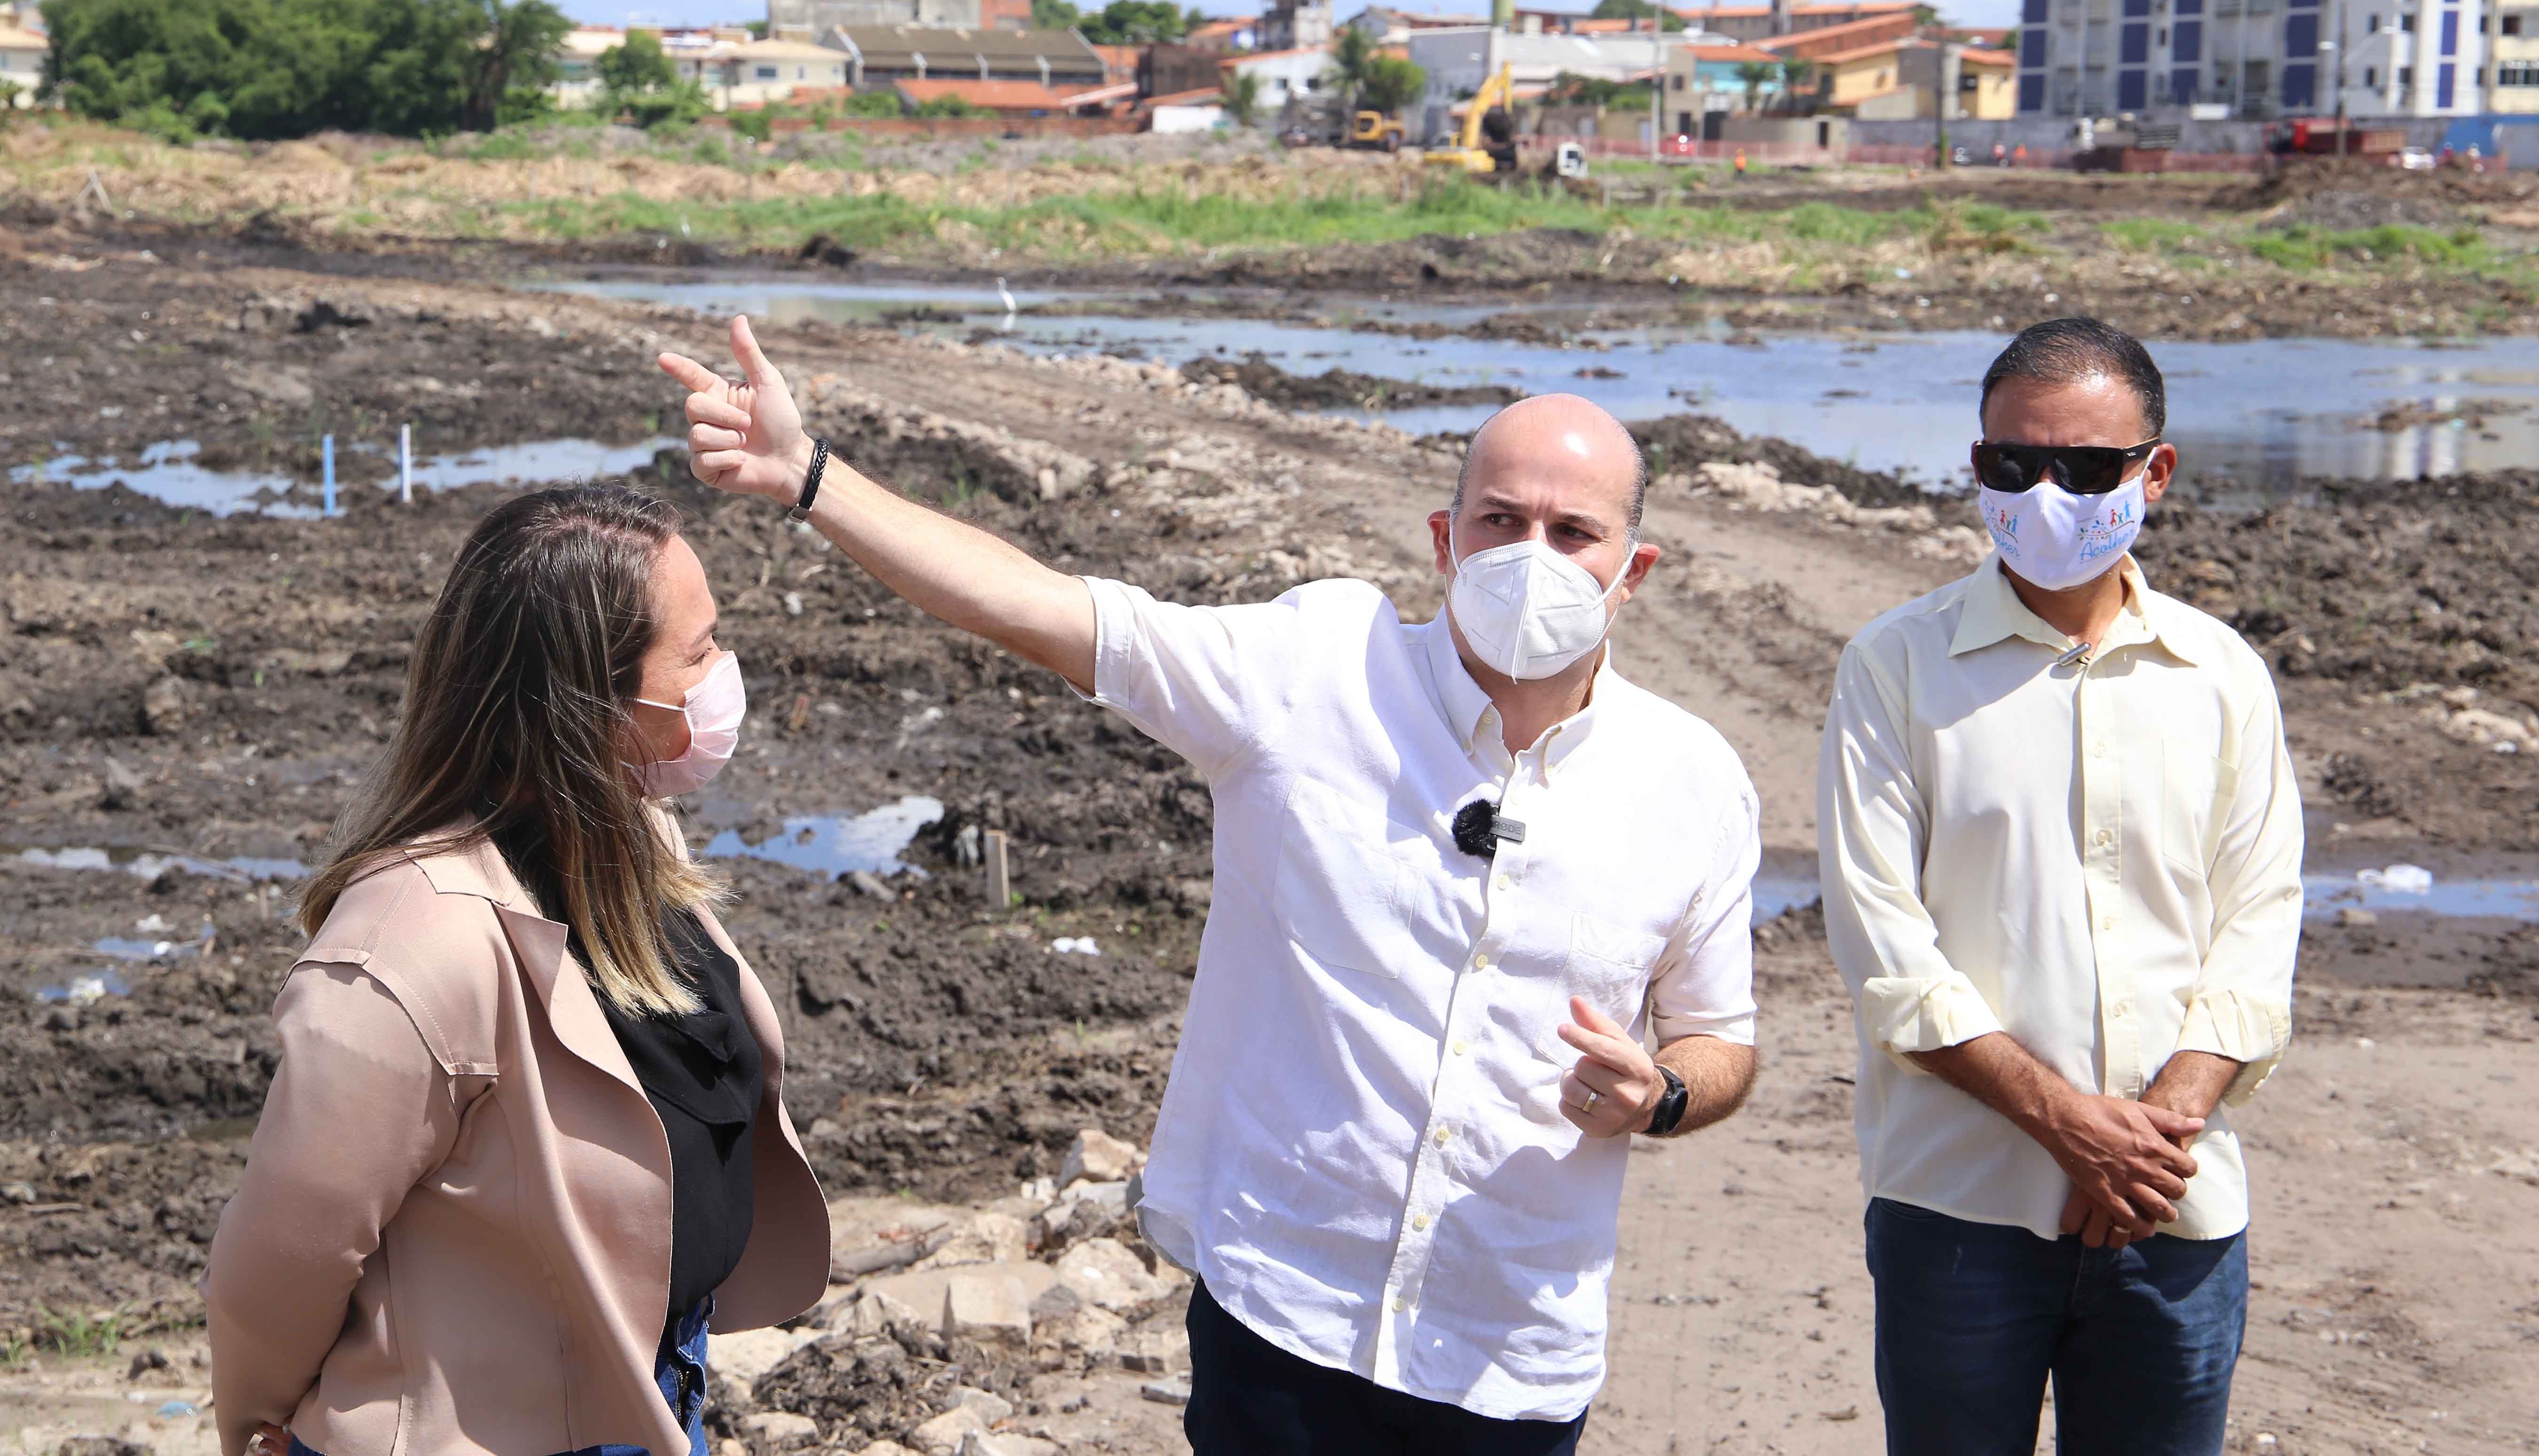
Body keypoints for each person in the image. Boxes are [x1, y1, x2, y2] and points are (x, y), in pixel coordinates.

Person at [658, 319, 1763, 1454]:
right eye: (1500, 520)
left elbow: (1719, 1040)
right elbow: (1042, 607)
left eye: (1572, 532)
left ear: (1632, 571)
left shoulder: (1695, 786)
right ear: (1444, 538)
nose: (1528, 555)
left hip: (1513, 1352)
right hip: (1284, 1321)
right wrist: (810, 478)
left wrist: (1662, 1095)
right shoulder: (1313, 674)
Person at [203, 486, 831, 1456]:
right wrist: (256, 1428)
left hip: (653, 1392)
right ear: (596, 700)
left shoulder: (633, 841)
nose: (722, 672)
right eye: (698, 651)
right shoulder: (407, 949)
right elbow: (282, 1258)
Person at [1816, 316, 2302, 1456]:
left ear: (2155, 473)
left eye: (2085, 468)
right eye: (2012, 464)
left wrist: (2149, 1138)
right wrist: (2068, 1128)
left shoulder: (2220, 674)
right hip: (1959, 1213)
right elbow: (1885, 950)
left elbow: (2258, 923)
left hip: (2173, 1211)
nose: (2044, 493)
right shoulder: (1894, 665)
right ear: (1974, 465)